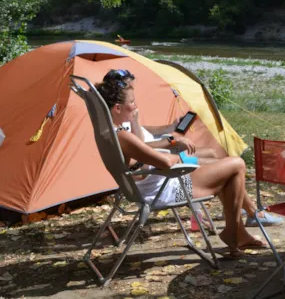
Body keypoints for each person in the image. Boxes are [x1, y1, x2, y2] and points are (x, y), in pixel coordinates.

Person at [96, 73, 273, 257]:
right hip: (168, 190)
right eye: (132, 102)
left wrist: (163, 150)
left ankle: (237, 233)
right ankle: (235, 233)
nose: (135, 105)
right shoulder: (122, 136)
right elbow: (164, 162)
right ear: (117, 108)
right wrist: (172, 153)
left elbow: (142, 157)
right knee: (237, 164)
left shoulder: (110, 132)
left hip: (158, 186)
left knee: (227, 170)